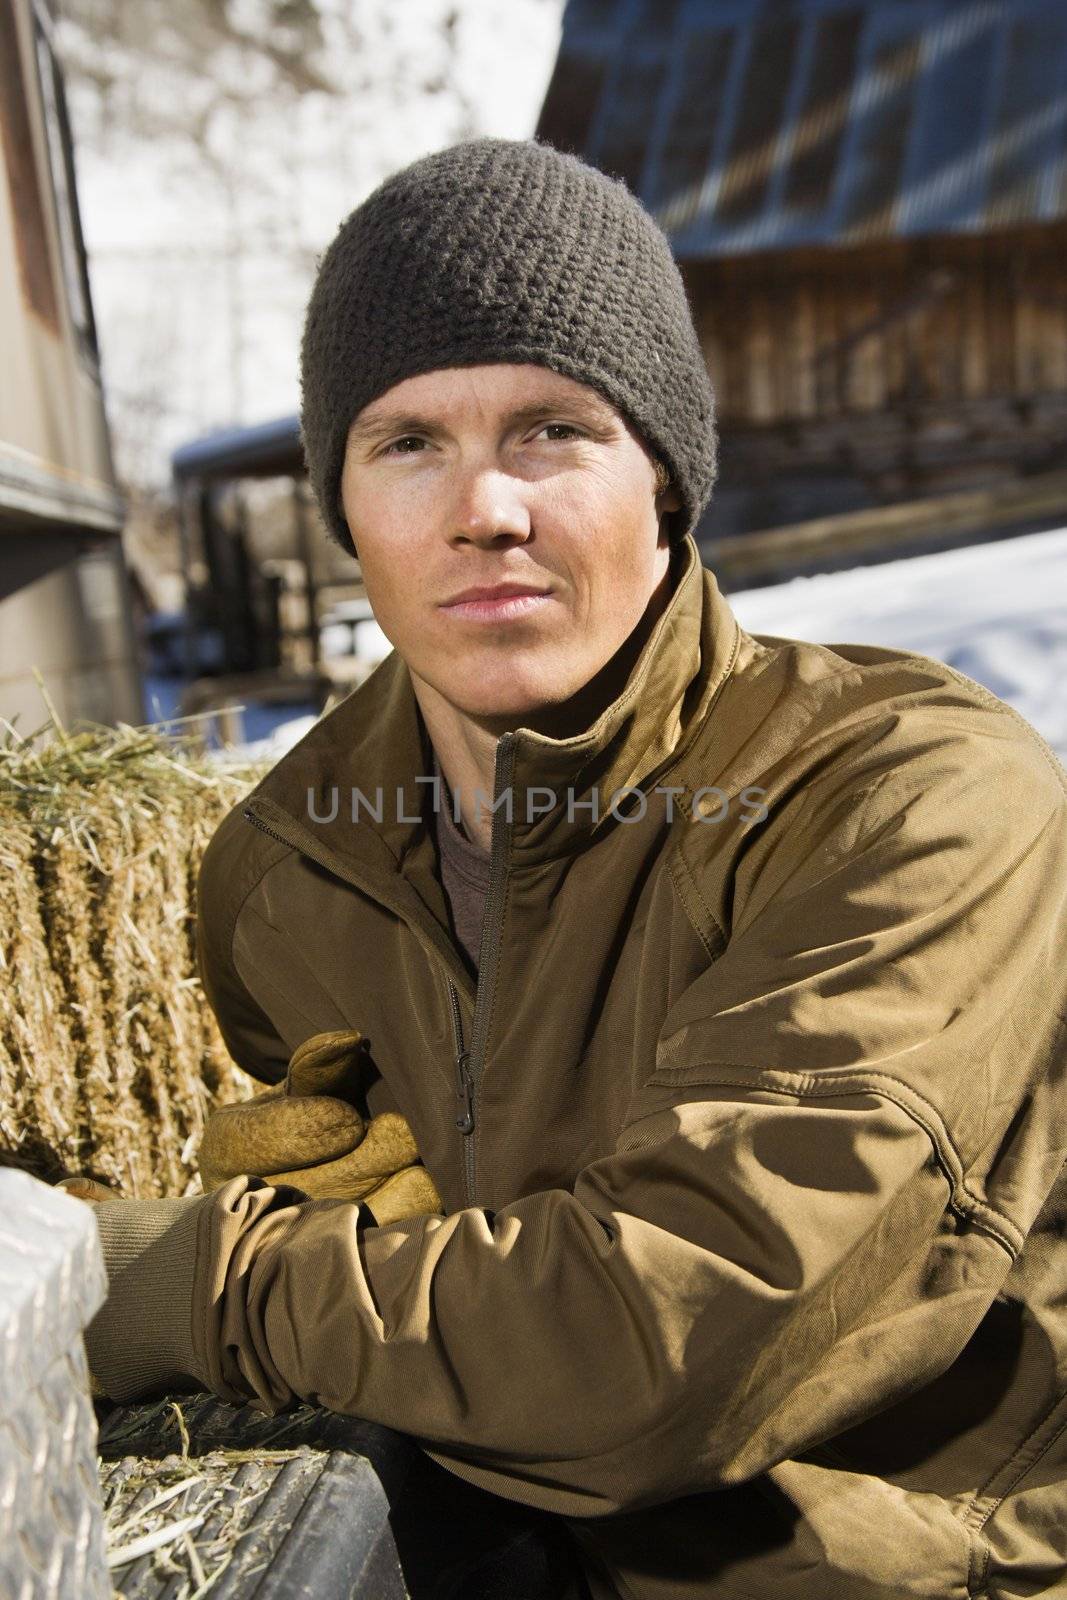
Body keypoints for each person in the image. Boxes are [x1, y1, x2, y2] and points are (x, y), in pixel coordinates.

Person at [63, 138, 1067, 1600]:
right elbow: (419, 1287)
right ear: (344, 506)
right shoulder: (288, 871)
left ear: (663, 476)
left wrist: (185, 1280)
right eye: (408, 442)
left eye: (552, 429)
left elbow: (667, 1346)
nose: (486, 510)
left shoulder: (906, 796)